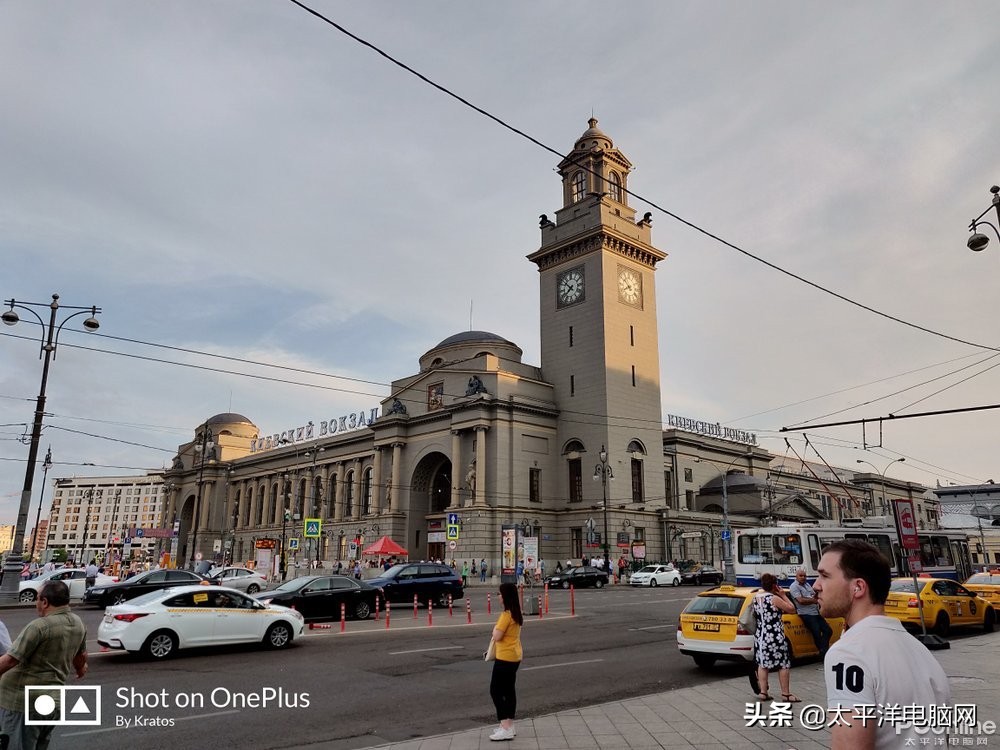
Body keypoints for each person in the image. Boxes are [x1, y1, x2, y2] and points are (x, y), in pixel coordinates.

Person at [814, 539, 950, 749]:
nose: (816, 586)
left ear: (858, 587)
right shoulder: (919, 650)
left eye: (824, 576)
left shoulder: (849, 653)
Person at [0, 580, 87, 749]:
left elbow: (10, 660)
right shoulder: (78, 623)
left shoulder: (39, 627)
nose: (36, 603)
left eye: (37, 599)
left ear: (45, 601)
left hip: (23, 704)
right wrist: (80, 669)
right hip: (52, 704)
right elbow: (80, 656)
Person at [751, 572, 797, 702]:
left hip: (760, 636)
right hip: (774, 635)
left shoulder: (756, 598)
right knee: (783, 664)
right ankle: (786, 694)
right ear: (774, 585)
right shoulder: (774, 599)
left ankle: (763, 692)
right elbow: (792, 609)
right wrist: (783, 595)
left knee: (762, 664)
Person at [488, 582, 523, 742]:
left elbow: (497, 636)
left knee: (495, 690)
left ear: (506, 596)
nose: (498, 596)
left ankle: (505, 726)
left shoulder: (506, 615)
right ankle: (509, 725)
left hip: (504, 657)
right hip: (514, 656)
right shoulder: (516, 613)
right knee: (509, 691)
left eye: (500, 593)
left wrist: (494, 629)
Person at [788, 568, 833, 656]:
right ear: (796, 576)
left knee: (828, 631)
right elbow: (800, 600)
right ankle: (823, 653)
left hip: (815, 612)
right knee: (816, 632)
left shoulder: (807, 584)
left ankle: (823, 650)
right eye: (801, 576)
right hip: (806, 613)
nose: (803, 577)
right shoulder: (794, 586)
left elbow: (813, 595)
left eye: (804, 576)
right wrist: (814, 601)